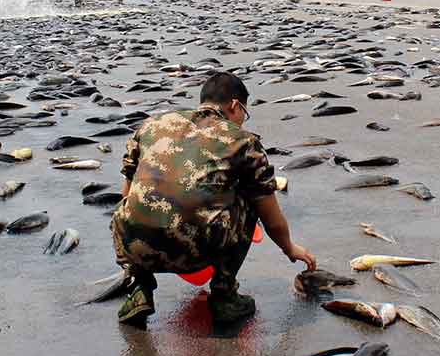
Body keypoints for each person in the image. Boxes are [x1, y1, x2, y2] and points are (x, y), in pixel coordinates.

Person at [111, 71, 317, 327]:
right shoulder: (243, 141)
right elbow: (270, 217)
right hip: (196, 250)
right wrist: (289, 248)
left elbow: (127, 194)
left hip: (135, 247)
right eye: (244, 112)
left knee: (133, 206)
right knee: (252, 196)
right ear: (234, 105)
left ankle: (138, 289)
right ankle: (224, 294)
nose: (242, 120)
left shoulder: (151, 125)